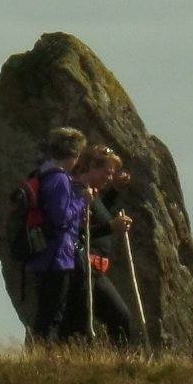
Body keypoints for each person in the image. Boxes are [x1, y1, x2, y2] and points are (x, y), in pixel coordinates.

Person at [25, 127, 89, 346]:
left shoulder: (42, 172)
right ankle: (45, 356)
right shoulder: (60, 179)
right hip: (57, 255)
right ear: (74, 154)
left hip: (41, 252)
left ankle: (40, 352)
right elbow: (60, 218)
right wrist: (81, 201)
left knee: (46, 309)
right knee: (54, 311)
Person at [78, 145, 145, 349]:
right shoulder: (79, 194)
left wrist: (115, 191)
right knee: (120, 317)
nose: (110, 177)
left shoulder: (92, 195)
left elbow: (100, 213)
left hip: (93, 270)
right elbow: (79, 232)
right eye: (107, 172)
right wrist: (111, 227)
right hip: (85, 269)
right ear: (90, 167)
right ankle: (122, 364)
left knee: (88, 323)